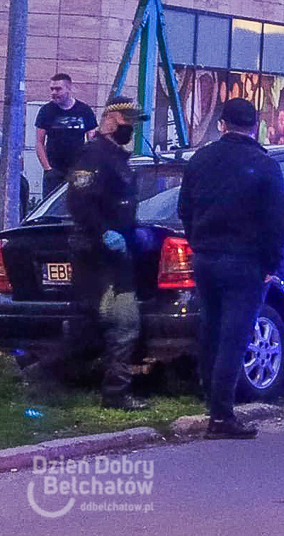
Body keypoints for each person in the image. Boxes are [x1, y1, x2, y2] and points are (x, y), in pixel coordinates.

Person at [178, 98, 284, 440]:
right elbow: (277, 220)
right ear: (254, 126)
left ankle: (208, 395)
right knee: (234, 337)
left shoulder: (201, 159)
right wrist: (271, 263)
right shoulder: (264, 165)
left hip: (206, 257)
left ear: (222, 124)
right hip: (245, 262)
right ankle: (222, 416)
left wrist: (197, 242)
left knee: (211, 329)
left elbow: (184, 208)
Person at [66, 96, 149, 411]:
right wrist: (104, 233)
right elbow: (79, 202)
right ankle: (114, 392)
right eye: (129, 122)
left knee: (96, 327)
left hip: (116, 255)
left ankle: (47, 378)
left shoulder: (115, 157)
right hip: (99, 256)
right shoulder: (94, 155)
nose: (132, 128)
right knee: (120, 324)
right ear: (112, 120)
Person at [35, 73, 98, 198]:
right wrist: (48, 169)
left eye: (58, 89)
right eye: (52, 89)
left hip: (78, 170)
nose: (54, 92)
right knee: (51, 210)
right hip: (54, 170)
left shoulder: (84, 111)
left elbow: (93, 141)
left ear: (69, 89)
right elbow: (39, 142)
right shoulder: (46, 111)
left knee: (79, 207)